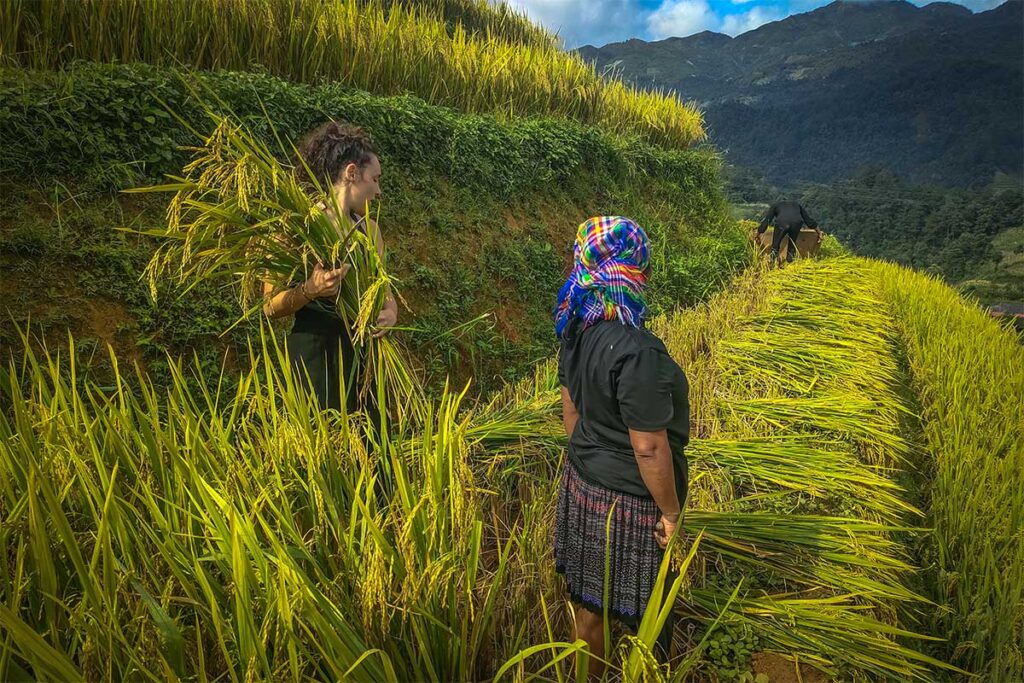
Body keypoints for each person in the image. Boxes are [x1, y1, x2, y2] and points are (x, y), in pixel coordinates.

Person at [553, 216, 690, 676]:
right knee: (644, 610)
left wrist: (591, 456)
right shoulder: (637, 350)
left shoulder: (574, 327)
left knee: (590, 607)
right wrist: (670, 513)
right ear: (633, 270)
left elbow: (571, 409)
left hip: (583, 484)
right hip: (627, 504)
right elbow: (650, 447)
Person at [262, 121, 398, 413]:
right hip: (314, 356)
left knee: (371, 446)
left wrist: (390, 312)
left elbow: (385, 292)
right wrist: (310, 289)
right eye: (375, 179)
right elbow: (270, 307)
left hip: (364, 356)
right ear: (352, 173)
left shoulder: (370, 231)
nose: (379, 190)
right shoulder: (296, 229)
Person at [755, 200, 822, 265]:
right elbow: (808, 220)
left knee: (775, 245)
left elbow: (767, 221)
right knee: (792, 245)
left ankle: (772, 263)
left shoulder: (775, 205)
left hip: (782, 222)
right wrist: (819, 232)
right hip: (796, 223)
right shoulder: (797, 205)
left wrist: (757, 234)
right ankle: (790, 263)